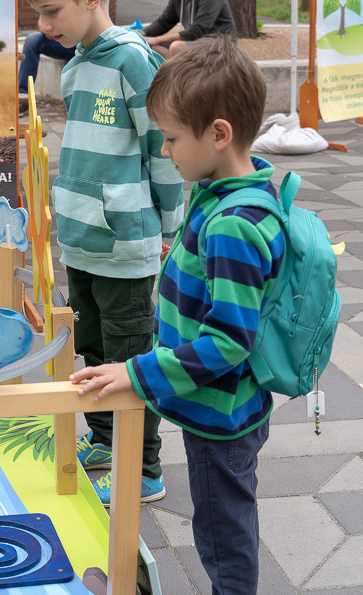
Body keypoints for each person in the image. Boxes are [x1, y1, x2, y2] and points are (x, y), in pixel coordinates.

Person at [72, 36, 283, 595]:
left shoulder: (233, 223)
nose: (165, 151)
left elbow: (228, 342)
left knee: (222, 532)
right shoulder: (225, 192)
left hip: (221, 413)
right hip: (218, 403)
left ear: (219, 134)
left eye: (171, 138)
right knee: (222, 521)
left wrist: (137, 372)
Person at [19, 0, 184, 505]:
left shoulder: (134, 61)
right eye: (38, 14)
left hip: (127, 244)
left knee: (130, 357)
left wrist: (170, 228)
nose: (44, 26)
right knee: (92, 345)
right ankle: (109, 440)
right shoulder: (75, 66)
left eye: (51, 12)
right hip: (83, 242)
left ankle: (144, 467)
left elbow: (164, 148)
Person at [17, 28, 75, 101]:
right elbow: (43, 27)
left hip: (79, 44)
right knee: (32, 39)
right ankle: (23, 95)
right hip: (60, 42)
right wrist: (49, 30)